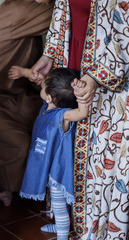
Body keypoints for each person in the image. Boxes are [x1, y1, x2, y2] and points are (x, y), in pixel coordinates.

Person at [31, 0, 129, 238]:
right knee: (69, 151)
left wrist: (96, 77)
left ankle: (98, 225)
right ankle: (75, 221)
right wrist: (49, 55)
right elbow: (63, 13)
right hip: (73, 63)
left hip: (111, 77)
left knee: (101, 156)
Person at [0, 0, 54, 210]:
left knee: (51, 122)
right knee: (18, 142)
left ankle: (6, 185)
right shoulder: (18, 9)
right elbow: (66, 15)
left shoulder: (32, 15)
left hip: (16, 93)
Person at [15, 67, 87, 239]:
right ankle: (59, 226)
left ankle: (62, 235)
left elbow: (83, 112)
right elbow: (43, 79)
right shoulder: (50, 105)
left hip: (57, 171)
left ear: (49, 96)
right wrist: (26, 73)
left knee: (59, 205)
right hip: (47, 164)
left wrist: (81, 92)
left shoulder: (63, 116)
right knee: (56, 203)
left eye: (43, 87)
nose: (41, 84)